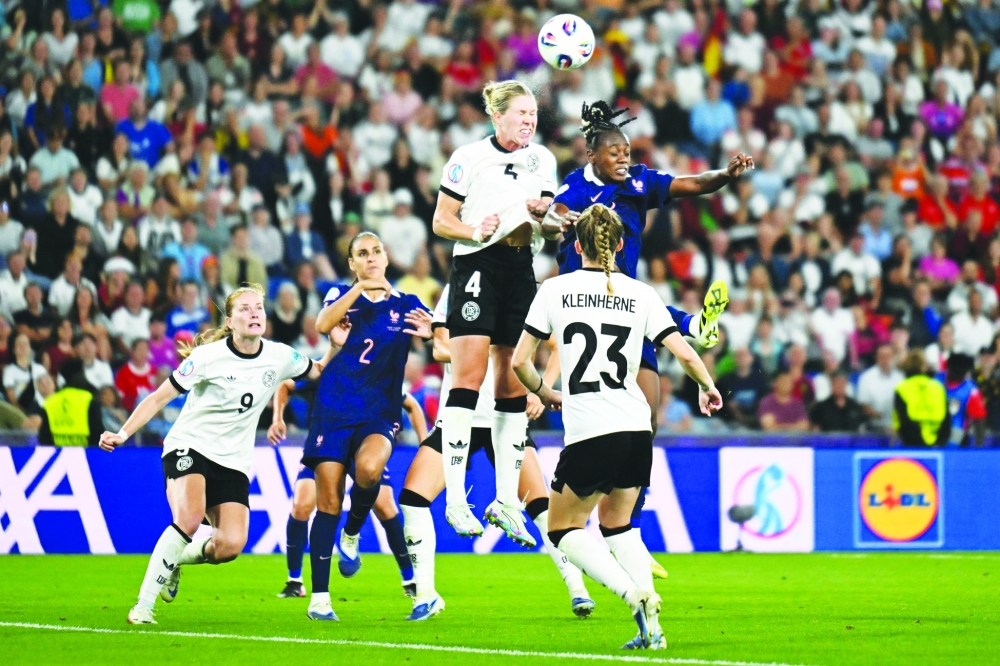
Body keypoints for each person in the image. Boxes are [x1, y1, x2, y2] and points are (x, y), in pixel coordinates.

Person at [511, 204, 722, 650]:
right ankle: (654, 631)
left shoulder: (555, 289)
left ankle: (633, 594)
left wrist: (545, 393)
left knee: (563, 529)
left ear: (576, 245)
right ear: (621, 244)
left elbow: (520, 361)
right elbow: (683, 351)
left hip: (592, 428)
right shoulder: (640, 293)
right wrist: (707, 385)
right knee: (618, 525)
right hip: (636, 426)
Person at [98, 283, 328, 625]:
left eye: (259, 308)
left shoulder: (279, 356)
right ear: (231, 320)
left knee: (230, 545)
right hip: (190, 445)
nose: (254, 314)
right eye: (245, 309)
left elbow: (319, 371)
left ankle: (174, 561)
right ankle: (143, 606)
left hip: (233, 460)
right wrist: (123, 433)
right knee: (189, 519)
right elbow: (159, 398)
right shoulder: (208, 357)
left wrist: (337, 346)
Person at [395, 285, 595, 621]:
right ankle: (426, 596)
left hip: (506, 418)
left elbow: (556, 345)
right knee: (413, 499)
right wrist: (444, 340)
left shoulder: (523, 290)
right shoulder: (458, 286)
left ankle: (578, 589)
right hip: (459, 415)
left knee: (541, 506)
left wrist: (540, 389)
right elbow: (442, 349)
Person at [431, 80, 564, 545]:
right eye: (521, 113)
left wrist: (545, 215)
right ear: (498, 116)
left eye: (533, 114)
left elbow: (551, 232)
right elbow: (441, 220)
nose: (529, 121)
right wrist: (471, 230)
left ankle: (505, 501)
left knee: (511, 384)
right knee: (468, 375)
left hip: (519, 267)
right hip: (476, 265)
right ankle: (455, 500)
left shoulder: (542, 160)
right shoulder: (469, 156)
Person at [302, 231, 432, 621]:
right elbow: (323, 324)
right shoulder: (342, 296)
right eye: (362, 253)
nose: (372, 258)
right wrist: (359, 288)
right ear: (352, 264)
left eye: (377, 251)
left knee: (370, 468)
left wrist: (432, 335)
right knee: (327, 503)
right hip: (333, 409)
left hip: (379, 411)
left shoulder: (406, 304)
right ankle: (320, 599)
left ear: (387, 258)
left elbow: (445, 340)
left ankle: (353, 532)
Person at [269, 385, 428, 600]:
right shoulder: (324, 370)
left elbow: (410, 404)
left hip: (361, 446)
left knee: (385, 506)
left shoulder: (371, 373)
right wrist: (277, 417)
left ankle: (410, 580)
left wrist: (425, 445)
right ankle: (294, 581)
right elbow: (286, 385)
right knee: (301, 505)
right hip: (325, 444)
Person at [893, 350, 950, 447]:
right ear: (924, 367)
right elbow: (946, 418)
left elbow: (902, 419)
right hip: (937, 438)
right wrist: (940, 441)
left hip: (912, 441)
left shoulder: (902, 388)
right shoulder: (938, 387)